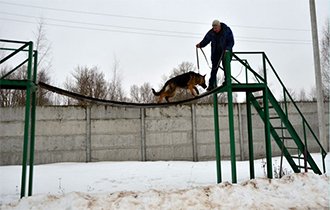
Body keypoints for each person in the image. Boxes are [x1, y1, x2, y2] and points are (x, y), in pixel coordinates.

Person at [196, 19, 234, 91]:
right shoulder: (211, 32)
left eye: (216, 28)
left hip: (225, 52)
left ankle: (227, 81)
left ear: (219, 26)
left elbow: (231, 41)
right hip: (215, 52)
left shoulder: (226, 30)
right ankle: (211, 85)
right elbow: (206, 39)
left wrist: (228, 49)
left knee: (226, 66)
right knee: (214, 68)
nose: (215, 30)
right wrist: (200, 44)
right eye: (214, 28)